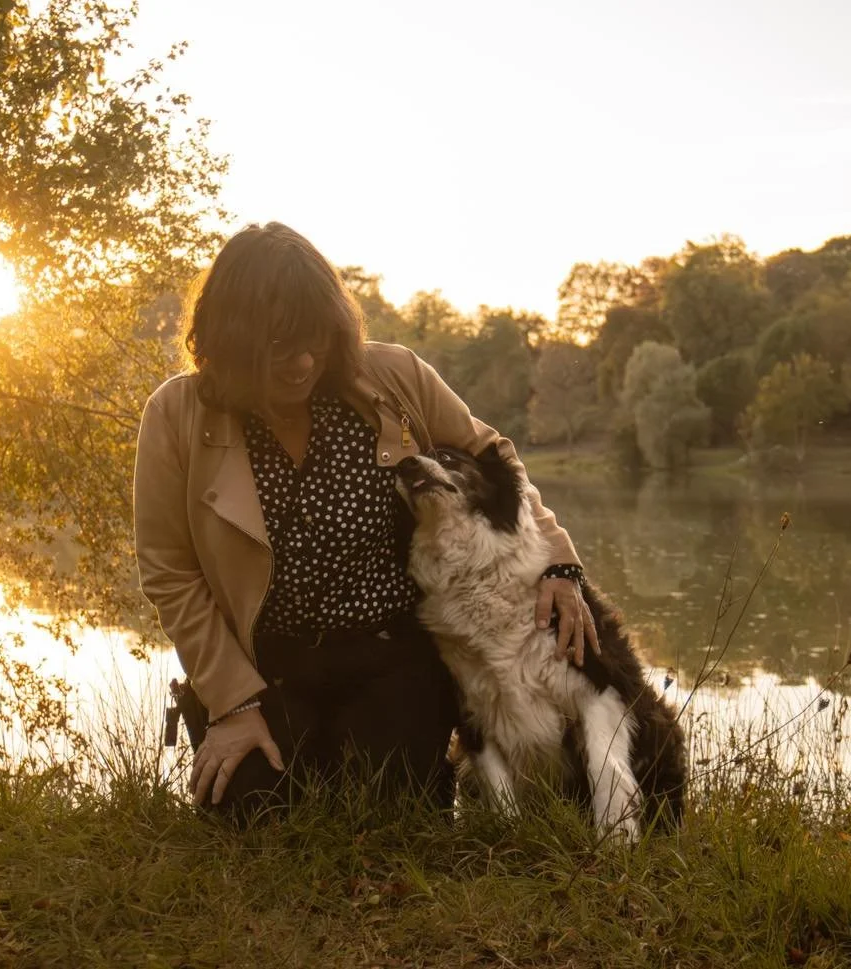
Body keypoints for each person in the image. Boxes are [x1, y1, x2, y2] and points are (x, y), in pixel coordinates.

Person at [133, 222, 598, 818]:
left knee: (395, 810)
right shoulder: (174, 415)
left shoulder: (394, 376)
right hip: (261, 665)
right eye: (278, 346)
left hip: (390, 653)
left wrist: (558, 561)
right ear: (232, 339)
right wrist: (231, 706)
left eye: (316, 341)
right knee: (253, 809)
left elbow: (491, 457)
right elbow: (170, 572)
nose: (303, 362)